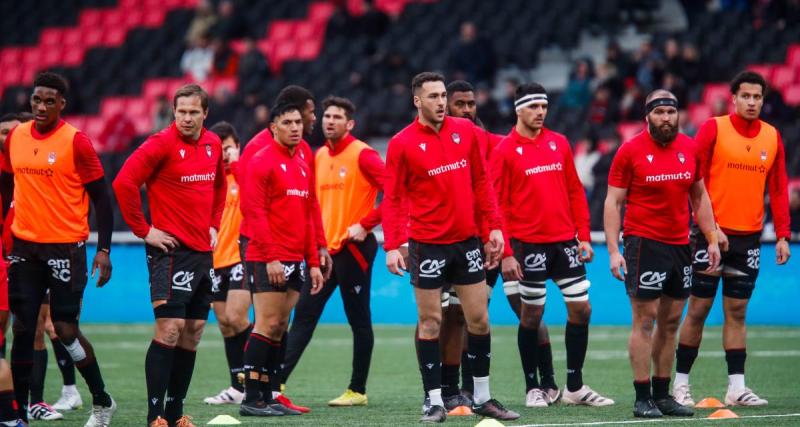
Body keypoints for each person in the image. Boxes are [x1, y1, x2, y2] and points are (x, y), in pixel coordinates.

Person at [383, 71, 519, 423]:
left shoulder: (467, 133)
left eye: (443, 95)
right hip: (427, 245)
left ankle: (483, 398)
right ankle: (433, 401)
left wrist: (495, 229)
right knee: (430, 322)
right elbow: (394, 198)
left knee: (479, 320)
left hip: (467, 242)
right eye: (433, 97)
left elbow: (482, 183)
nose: (441, 102)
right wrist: (393, 245)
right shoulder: (401, 143)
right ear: (417, 101)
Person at [0, 72, 115, 426]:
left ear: (62, 105)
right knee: (22, 327)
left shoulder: (76, 142)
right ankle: (18, 413)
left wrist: (104, 250)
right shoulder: (15, 137)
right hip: (25, 247)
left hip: (66, 248)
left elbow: (102, 199)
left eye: (50, 101)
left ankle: (101, 399)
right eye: (37, 100)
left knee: (65, 330)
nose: (42, 107)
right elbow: (6, 186)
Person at [673, 71, 791, 407]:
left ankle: (736, 388)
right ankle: (681, 385)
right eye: (746, 96)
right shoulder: (714, 128)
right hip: (709, 237)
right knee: (697, 309)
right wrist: (707, 228)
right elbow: (692, 180)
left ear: (763, 100)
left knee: (737, 312)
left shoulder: (772, 136)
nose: (752, 102)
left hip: (749, 239)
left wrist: (782, 234)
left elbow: (779, 188)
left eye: (758, 97)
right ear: (733, 98)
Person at [494, 82, 614, 408]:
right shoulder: (504, 150)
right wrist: (506, 252)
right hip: (528, 245)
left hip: (564, 243)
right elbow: (497, 206)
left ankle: (574, 386)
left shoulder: (559, 143)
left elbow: (575, 191)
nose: (540, 113)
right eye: (534, 107)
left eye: (544, 107)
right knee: (532, 315)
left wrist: (584, 236)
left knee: (582, 309)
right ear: (519, 109)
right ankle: (533, 387)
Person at [113, 84, 226, 427]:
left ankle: (176, 415)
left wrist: (215, 224)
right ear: (173, 112)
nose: (187, 118)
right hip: (171, 252)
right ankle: (154, 417)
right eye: (181, 112)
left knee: (192, 333)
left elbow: (220, 186)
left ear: (205, 113)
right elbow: (123, 183)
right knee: (170, 329)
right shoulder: (160, 143)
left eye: (194, 112)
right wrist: (144, 230)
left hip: (202, 253)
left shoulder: (213, 143)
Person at [604, 89, 720, 418]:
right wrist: (614, 251)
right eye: (659, 113)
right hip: (643, 244)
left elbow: (699, 197)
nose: (666, 118)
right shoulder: (629, 152)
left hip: (680, 245)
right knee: (645, 321)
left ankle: (662, 394)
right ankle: (642, 397)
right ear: (647, 117)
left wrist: (711, 237)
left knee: (670, 322)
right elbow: (613, 202)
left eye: (671, 112)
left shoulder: (689, 148)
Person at [228, 85, 329, 414]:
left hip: (297, 257)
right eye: (288, 122)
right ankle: (251, 398)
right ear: (273, 127)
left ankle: (270, 395)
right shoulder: (260, 161)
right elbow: (254, 214)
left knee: (279, 326)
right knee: (266, 324)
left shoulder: (303, 159)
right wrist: (271, 257)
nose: (296, 127)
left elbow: (310, 211)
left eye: (298, 122)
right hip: (268, 256)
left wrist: (313, 261)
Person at [282, 96, 384, 407]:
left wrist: (366, 223)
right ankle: (277, 382)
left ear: (349, 123)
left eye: (337, 117)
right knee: (303, 316)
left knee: (359, 320)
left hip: (354, 250)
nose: (329, 121)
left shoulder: (363, 154)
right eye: (326, 116)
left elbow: (396, 192)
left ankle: (357, 390)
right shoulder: (318, 156)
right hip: (325, 253)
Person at [202, 121, 248, 406]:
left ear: (238, 147)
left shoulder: (247, 174)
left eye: (228, 148)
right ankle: (237, 387)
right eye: (219, 150)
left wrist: (238, 164)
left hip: (241, 256)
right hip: (214, 259)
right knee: (224, 324)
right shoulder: (209, 181)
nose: (224, 155)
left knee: (236, 317)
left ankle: (261, 376)